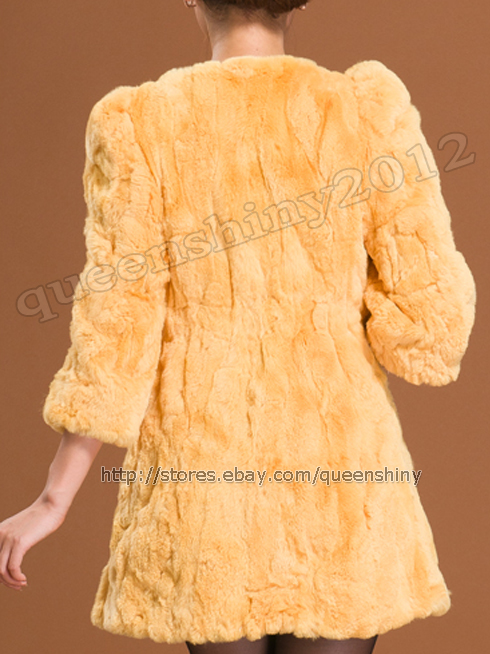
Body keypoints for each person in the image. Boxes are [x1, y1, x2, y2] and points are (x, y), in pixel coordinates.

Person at [0, 1, 476, 653]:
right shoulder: (367, 111)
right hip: (342, 486)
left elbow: (115, 329)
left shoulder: (139, 123)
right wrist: (338, 305)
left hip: (203, 491)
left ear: (193, 0)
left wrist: (54, 500)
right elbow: (434, 326)